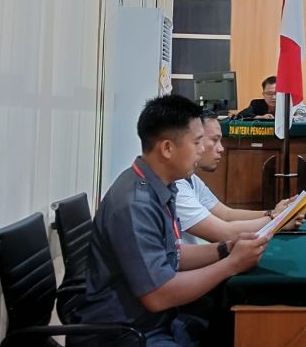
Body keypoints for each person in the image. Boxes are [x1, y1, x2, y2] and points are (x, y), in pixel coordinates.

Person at [74, 95, 269, 347]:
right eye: (197, 142)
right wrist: (231, 264)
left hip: (156, 320)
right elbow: (158, 294)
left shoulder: (161, 185)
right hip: (127, 333)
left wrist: (224, 249)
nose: (202, 149)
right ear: (167, 148)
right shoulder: (135, 203)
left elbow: (172, 253)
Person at [176, 110, 303, 244]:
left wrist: (273, 213)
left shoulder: (191, 179)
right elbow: (224, 233)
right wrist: (278, 220)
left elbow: (225, 214)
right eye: (214, 140)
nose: (221, 148)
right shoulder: (177, 185)